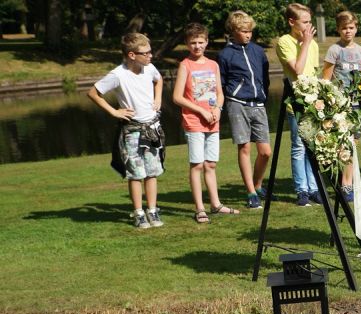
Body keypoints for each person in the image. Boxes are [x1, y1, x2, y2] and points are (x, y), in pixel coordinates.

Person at [87, 32, 165, 229]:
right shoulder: (118, 75)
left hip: (152, 129)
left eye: (150, 52)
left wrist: (158, 99)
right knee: (136, 173)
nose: (150, 56)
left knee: (152, 172)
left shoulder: (149, 68)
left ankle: (153, 211)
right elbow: (93, 93)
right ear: (132, 55)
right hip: (132, 131)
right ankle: (139, 213)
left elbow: (159, 80)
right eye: (145, 53)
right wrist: (114, 111)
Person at [173, 23, 237, 224]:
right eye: (193, 43)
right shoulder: (185, 65)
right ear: (186, 44)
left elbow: (219, 92)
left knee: (211, 164)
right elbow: (177, 97)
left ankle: (216, 204)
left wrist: (217, 108)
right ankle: (200, 208)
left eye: (201, 42)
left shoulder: (213, 65)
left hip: (213, 121)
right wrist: (200, 110)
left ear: (207, 42)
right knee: (197, 165)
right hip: (194, 121)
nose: (197, 46)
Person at [219, 10, 271, 210]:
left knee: (265, 152)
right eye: (243, 31)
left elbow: (265, 79)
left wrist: (263, 96)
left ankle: (257, 185)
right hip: (236, 103)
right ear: (233, 30)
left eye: (250, 31)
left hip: (258, 104)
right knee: (245, 148)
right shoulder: (225, 54)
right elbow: (222, 83)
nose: (248, 34)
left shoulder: (258, 51)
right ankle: (251, 192)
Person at [322, 10, 361, 202]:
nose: (348, 31)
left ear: (356, 28)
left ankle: (348, 181)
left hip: (358, 106)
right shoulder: (334, 50)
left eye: (351, 28)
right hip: (340, 106)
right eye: (344, 28)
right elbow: (326, 78)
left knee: (352, 144)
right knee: (343, 144)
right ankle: (345, 183)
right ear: (338, 29)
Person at [276, 3, 321, 207]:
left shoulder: (313, 44)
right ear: (291, 22)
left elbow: (315, 75)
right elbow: (299, 71)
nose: (308, 26)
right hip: (296, 103)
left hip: (314, 103)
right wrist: (304, 44)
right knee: (299, 147)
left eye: (310, 21)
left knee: (313, 146)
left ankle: (314, 188)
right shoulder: (285, 42)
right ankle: (301, 190)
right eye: (305, 22)